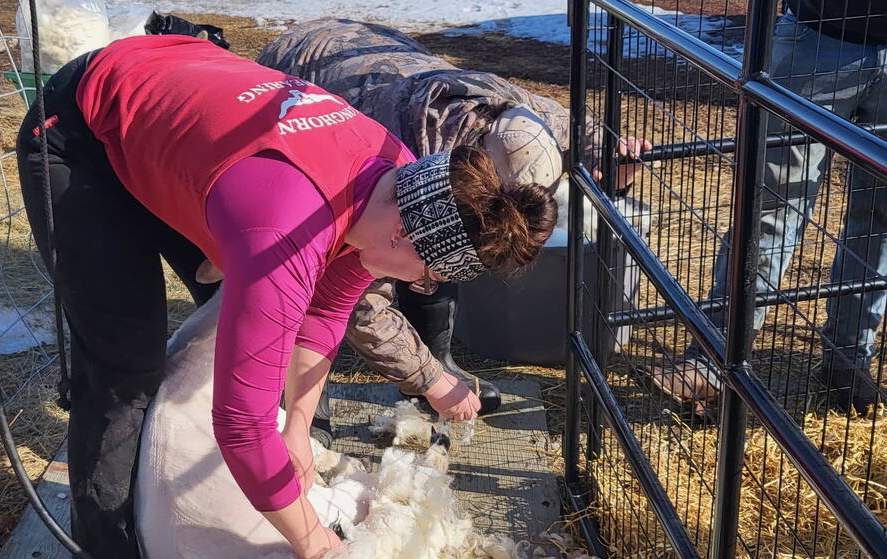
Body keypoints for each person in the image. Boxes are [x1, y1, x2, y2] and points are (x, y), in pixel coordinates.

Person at [16, 34, 557, 559]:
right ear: (403, 238)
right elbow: (242, 421)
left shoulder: (400, 178)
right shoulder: (282, 232)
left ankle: (221, 496)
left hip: (195, 126)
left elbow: (324, 315)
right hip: (83, 130)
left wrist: (298, 429)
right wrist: (315, 545)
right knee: (124, 371)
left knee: (247, 328)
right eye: (425, 277)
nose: (420, 287)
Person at [255, 19, 649, 423]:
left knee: (431, 257)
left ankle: (437, 355)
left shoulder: (518, 119)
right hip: (299, 73)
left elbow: (574, 127)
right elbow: (358, 302)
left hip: (377, 49)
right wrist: (428, 380)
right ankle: (296, 405)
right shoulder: (394, 159)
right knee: (297, 274)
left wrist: (609, 155)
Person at [648, 0, 887, 414]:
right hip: (821, 37)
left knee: (881, 220)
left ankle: (848, 363)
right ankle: (715, 359)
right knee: (771, 206)